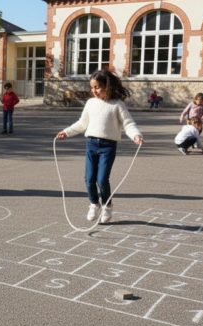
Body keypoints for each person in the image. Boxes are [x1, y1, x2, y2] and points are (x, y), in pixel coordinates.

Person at [56, 68, 143, 223]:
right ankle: (94, 204)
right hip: (91, 144)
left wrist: (136, 135)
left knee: (102, 179)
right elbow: (82, 123)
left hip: (108, 146)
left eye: (97, 87)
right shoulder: (90, 103)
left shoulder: (117, 105)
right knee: (89, 178)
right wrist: (66, 132)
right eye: (92, 87)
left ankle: (107, 206)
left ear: (107, 86)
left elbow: (128, 123)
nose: (94, 91)